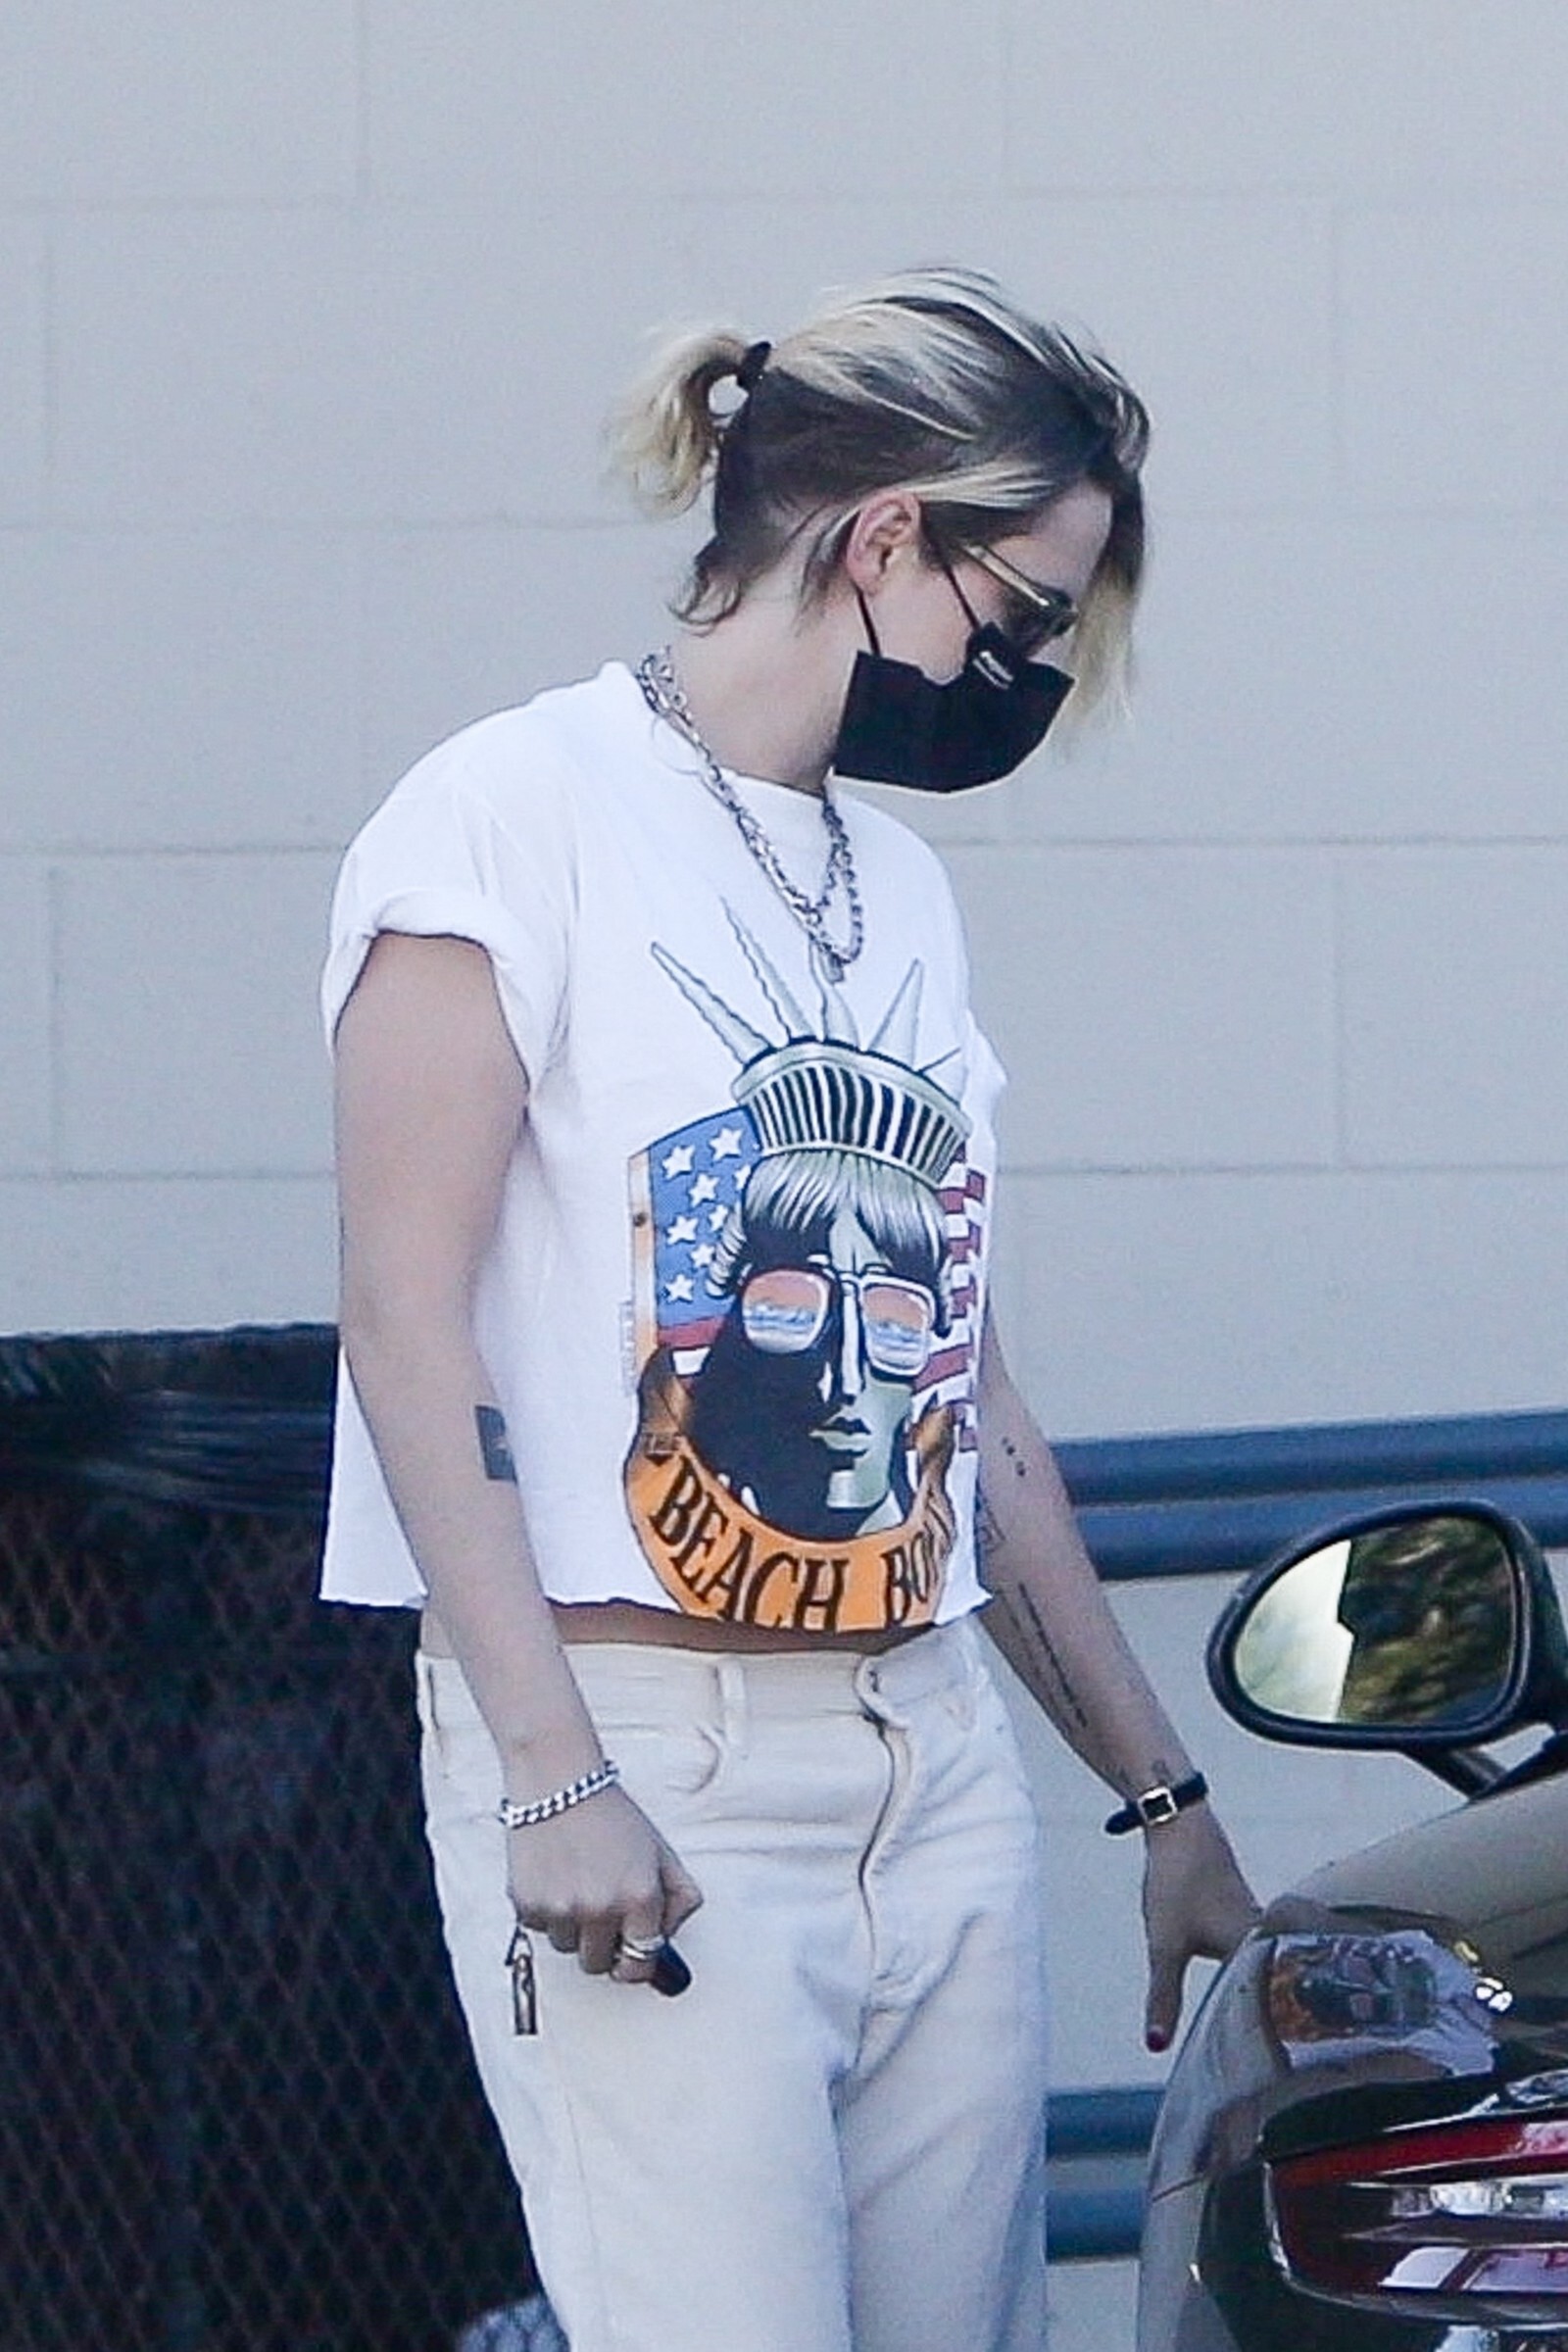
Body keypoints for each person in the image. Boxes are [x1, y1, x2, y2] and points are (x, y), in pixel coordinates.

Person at [321, 269, 1258, 2352]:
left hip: (925, 1752)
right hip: (649, 1752)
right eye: (1023, 617)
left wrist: (1160, 1796)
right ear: (882, 536)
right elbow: (402, 1317)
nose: (1025, 677)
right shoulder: (508, 811)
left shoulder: (893, 885)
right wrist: (550, 1772)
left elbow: (967, 1401)